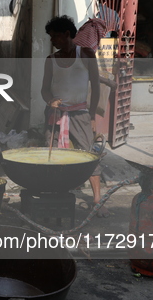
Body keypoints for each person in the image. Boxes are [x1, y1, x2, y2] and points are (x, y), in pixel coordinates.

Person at [41, 15, 109, 218]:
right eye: (51, 37)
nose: (52, 41)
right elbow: (44, 90)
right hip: (55, 114)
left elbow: (95, 87)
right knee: (51, 154)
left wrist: (93, 117)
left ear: (67, 34)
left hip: (80, 113)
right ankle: (56, 194)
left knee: (88, 155)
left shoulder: (86, 54)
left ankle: (97, 201)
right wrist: (50, 101)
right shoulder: (50, 60)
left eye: (55, 37)